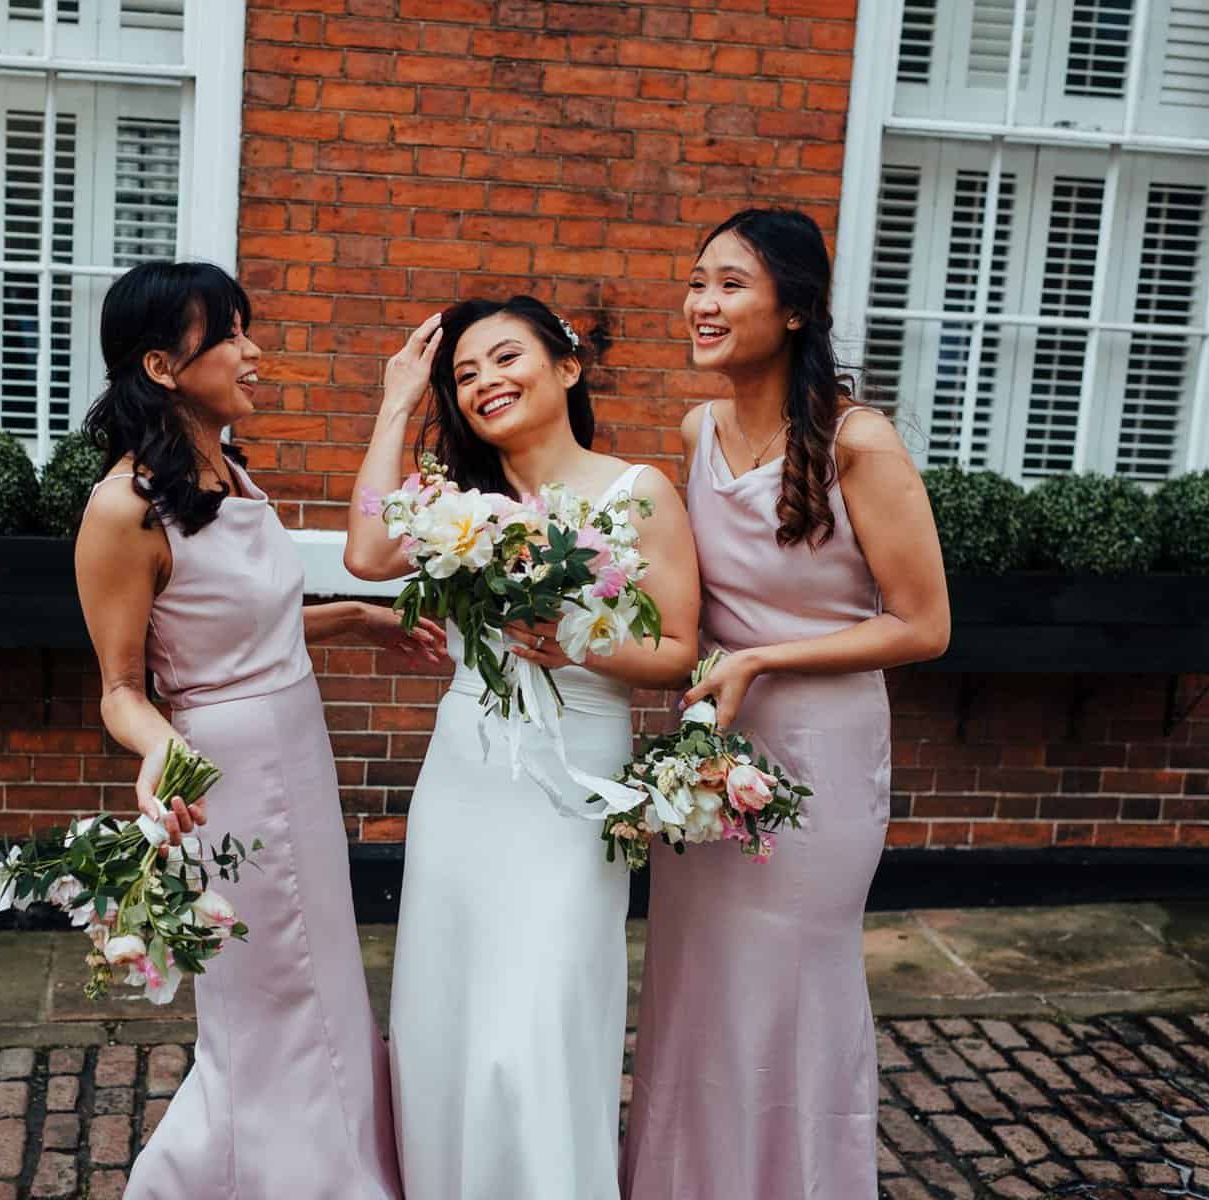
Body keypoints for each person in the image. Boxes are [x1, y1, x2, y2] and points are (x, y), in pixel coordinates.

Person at [76, 261, 437, 1199]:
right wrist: (158, 748)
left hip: (297, 750)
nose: (253, 352)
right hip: (223, 771)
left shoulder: (226, 470)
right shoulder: (123, 509)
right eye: (229, 335)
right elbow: (121, 685)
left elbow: (239, 620)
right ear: (161, 364)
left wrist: (356, 619)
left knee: (319, 975)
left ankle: (339, 1165)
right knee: (266, 991)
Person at [621, 209, 950, 1200]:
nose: (701, 304)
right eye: (696, 282)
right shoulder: (696, 431)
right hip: (715, 748)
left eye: (729, 284)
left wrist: (763, 660)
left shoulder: (861, 443)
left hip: (826, 745)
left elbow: (925, 626)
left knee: (791, 985)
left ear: (796, 309)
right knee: (696, 980)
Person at [343, 296, 701, 1199]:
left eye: (505, 360)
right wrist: (396, 399)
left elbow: (676, 653)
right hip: (465, 771)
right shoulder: (457, 505)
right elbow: (365, 555)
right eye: (462, 375)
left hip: (574, 779)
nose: (483, 384)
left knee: (539, 1015)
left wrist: (577, 641)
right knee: (448, 1008)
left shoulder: (638, 489)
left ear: (567, 369)